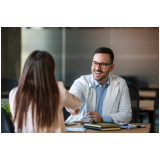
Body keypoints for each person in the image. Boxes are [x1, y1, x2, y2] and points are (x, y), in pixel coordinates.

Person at [9, 50, 81, 133]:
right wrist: (68, 104)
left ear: (26, 69)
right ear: (50, 71)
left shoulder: (14, 93)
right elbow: (76, 104)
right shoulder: (57, 89)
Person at [66, 47, 132, 124]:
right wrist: (71, 106)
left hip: (106, 131)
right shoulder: (81, 82)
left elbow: (127, 115)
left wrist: (102, 118)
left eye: (103, 64)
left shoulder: (121, 83)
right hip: (80, 128)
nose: (97, 68)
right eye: (95, 63)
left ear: (111, 67)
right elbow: (72, 98)